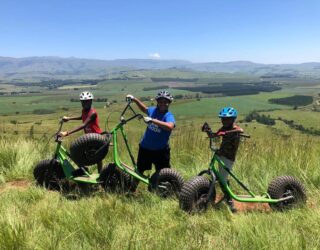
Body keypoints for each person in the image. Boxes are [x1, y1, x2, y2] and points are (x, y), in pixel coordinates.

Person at [126, 90, 176, 181]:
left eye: (165, 102)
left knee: (164, 174)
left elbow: (170, 126)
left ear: (169, 103)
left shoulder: (168, 115)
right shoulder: (153, 110)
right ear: (157, 102)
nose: (163, 104)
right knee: (139, 171)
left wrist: (153, 121)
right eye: (160, 101)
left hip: (160, 151)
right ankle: (131, 190)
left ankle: (164, 192)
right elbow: (144, 109)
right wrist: (135, 99)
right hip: (145, 148)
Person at [58, 91, 103, 173]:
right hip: (88, 137)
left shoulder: (93, 113)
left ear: (91, 101)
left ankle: (101, 176)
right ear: (81, 102)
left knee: (97, 157)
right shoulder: (84, 111)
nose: (86, 103)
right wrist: (69, 118)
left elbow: (84, 125)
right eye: (83, 102)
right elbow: (82, 117)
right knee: (80, 154)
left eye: (88, 101)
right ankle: (84, 170)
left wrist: (67, 133)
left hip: (96, 137)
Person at [210, 106, 244, 213]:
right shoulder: (224, 128)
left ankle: (230, 202)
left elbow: (240, 130)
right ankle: (226, 196)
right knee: (221, 178)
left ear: (233, 119)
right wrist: (208, 131)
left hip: (228, 157)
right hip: (221, 155)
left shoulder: (235, 130)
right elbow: (215, 136)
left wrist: (226, 133)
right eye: (223, 119)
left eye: (228, 119)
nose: (224, 121)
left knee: (222, 179)